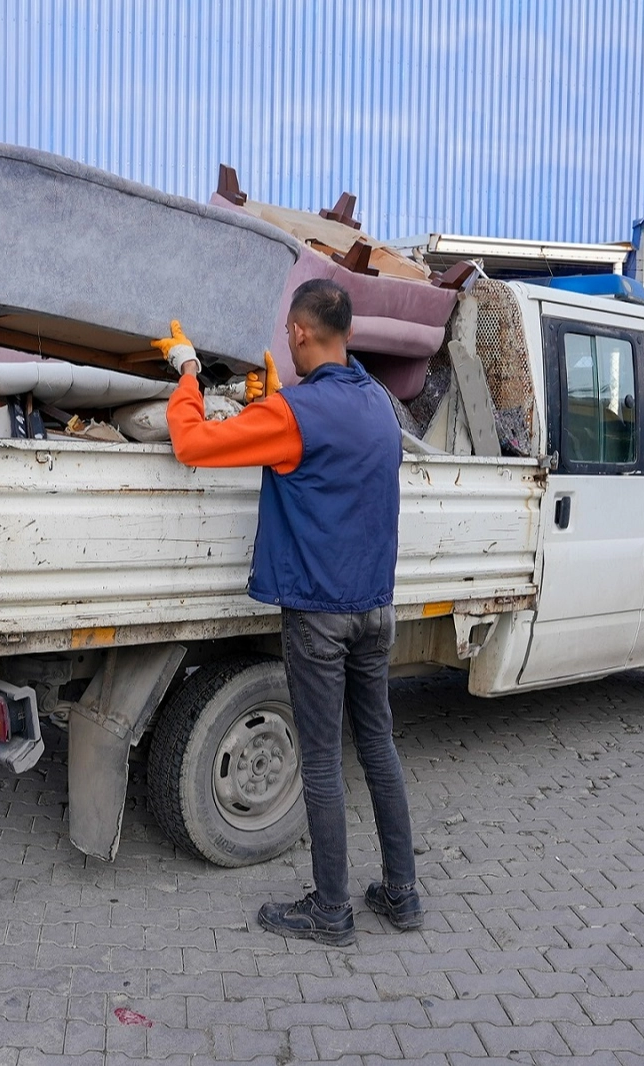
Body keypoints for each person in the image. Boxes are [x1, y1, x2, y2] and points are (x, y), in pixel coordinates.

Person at [156, 279, 421, 946]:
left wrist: (187, 370)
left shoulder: (296, 413)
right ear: (347, 334)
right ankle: (401, 893)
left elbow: (192, 443)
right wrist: (275, 400)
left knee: (324, 765)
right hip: (375, 611)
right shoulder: (376, 406)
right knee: (380, 749)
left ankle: (331, 913)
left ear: (300, 333)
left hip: (320, 617)